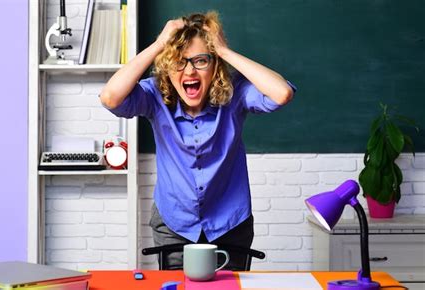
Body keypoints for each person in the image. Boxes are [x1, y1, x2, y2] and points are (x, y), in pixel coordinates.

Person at [100, 11, 296, 270]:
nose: (189, 70)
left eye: (201, 60)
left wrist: (224, 51)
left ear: (214, 66)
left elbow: (281, 93)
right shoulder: (154, 96)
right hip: (175, 224)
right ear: (167, 69)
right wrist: (160, 44)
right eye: (178, 62)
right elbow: (110, 98)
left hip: (230, 223)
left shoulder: (235, 94)